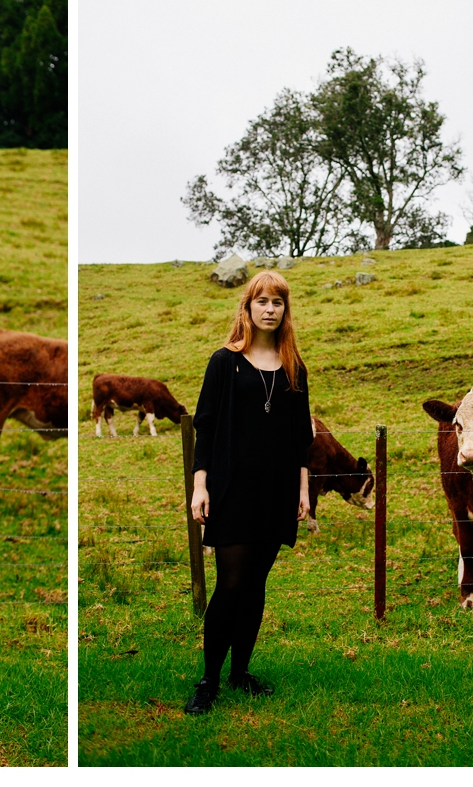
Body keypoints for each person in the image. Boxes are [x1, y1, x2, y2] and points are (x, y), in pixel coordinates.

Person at [184, 269, 314, 714]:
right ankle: (209, 680)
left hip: (277, 489)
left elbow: (302, 437)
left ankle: (241, 672)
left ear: (285, 310)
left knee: (256, 584)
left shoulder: (295, 367)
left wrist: (303, 489)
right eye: (262, 301)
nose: (270, 309)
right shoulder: (224, 361)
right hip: (232, 486)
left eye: (278, 302)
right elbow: (205, 424)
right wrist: (200, 485)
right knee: (231, 583)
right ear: (248, 307)